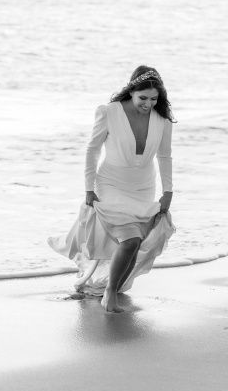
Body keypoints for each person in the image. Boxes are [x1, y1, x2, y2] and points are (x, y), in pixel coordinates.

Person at [48, 65, 175, 313]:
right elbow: (92, 150)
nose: (148, 104)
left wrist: (168, 191)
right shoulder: (109, 112)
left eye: (153, 99)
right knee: (130, 240)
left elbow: (165, 156)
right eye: (143, 98)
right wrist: (88, 187)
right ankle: (110, 294)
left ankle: (112, 289)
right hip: (110, 183)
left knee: (135, 243)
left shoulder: (162, 119)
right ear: (130, 91)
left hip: (143, 187)